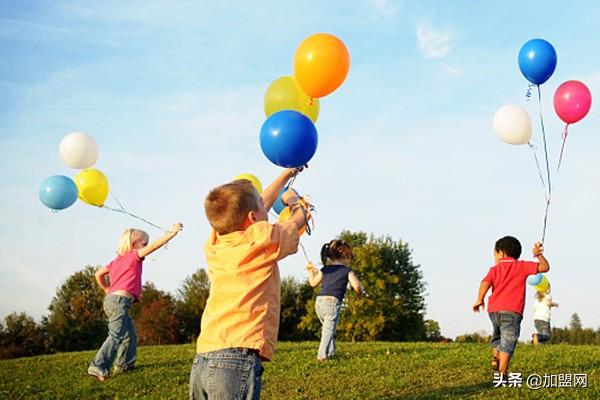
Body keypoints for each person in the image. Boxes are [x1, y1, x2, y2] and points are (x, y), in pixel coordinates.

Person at [189, 168, 310, 400]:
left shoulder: (215, 242)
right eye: (263, 208)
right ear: (254, 218)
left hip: (204, 357)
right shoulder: (263, 239)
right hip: (235, 359)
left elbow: (251, 208)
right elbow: (298, 221)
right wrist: (295, 201)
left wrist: (285, 175)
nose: (267, 207)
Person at [88, 223, 183, 381]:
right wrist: (172, 234)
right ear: (134, 245)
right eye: (143, 243)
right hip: (119, 301)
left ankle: (125, 365)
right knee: (116, 335)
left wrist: (106, 288)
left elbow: (98, 274)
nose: (145, 247)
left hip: (114, 301)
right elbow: (154, 246)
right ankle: (98, 365)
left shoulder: (116, 261)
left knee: (129, 335)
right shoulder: (134, 255)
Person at [472, 236, 549, 377]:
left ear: (501, 253)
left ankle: (496, 358)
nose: (494, 257)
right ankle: (502, 373)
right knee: (508, 341)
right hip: (512, 311)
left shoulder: (494, 269)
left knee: (497, 336)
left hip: (494, 310)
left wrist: (479, 299)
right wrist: (538, 254)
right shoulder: (522, 266)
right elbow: (545, 267)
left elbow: (485, 282)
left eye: (495, 254)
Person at [307, 239, 364, 361]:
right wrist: (360, 293)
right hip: (332, 303)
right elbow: (357, 286)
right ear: (345, 256)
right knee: (328, 330)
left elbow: (313, 283)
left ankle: (332, 352)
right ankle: (322, 356)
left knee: (328, 328)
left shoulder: (325, 269)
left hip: (319, 303)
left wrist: (310, 272)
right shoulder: (347, 271)